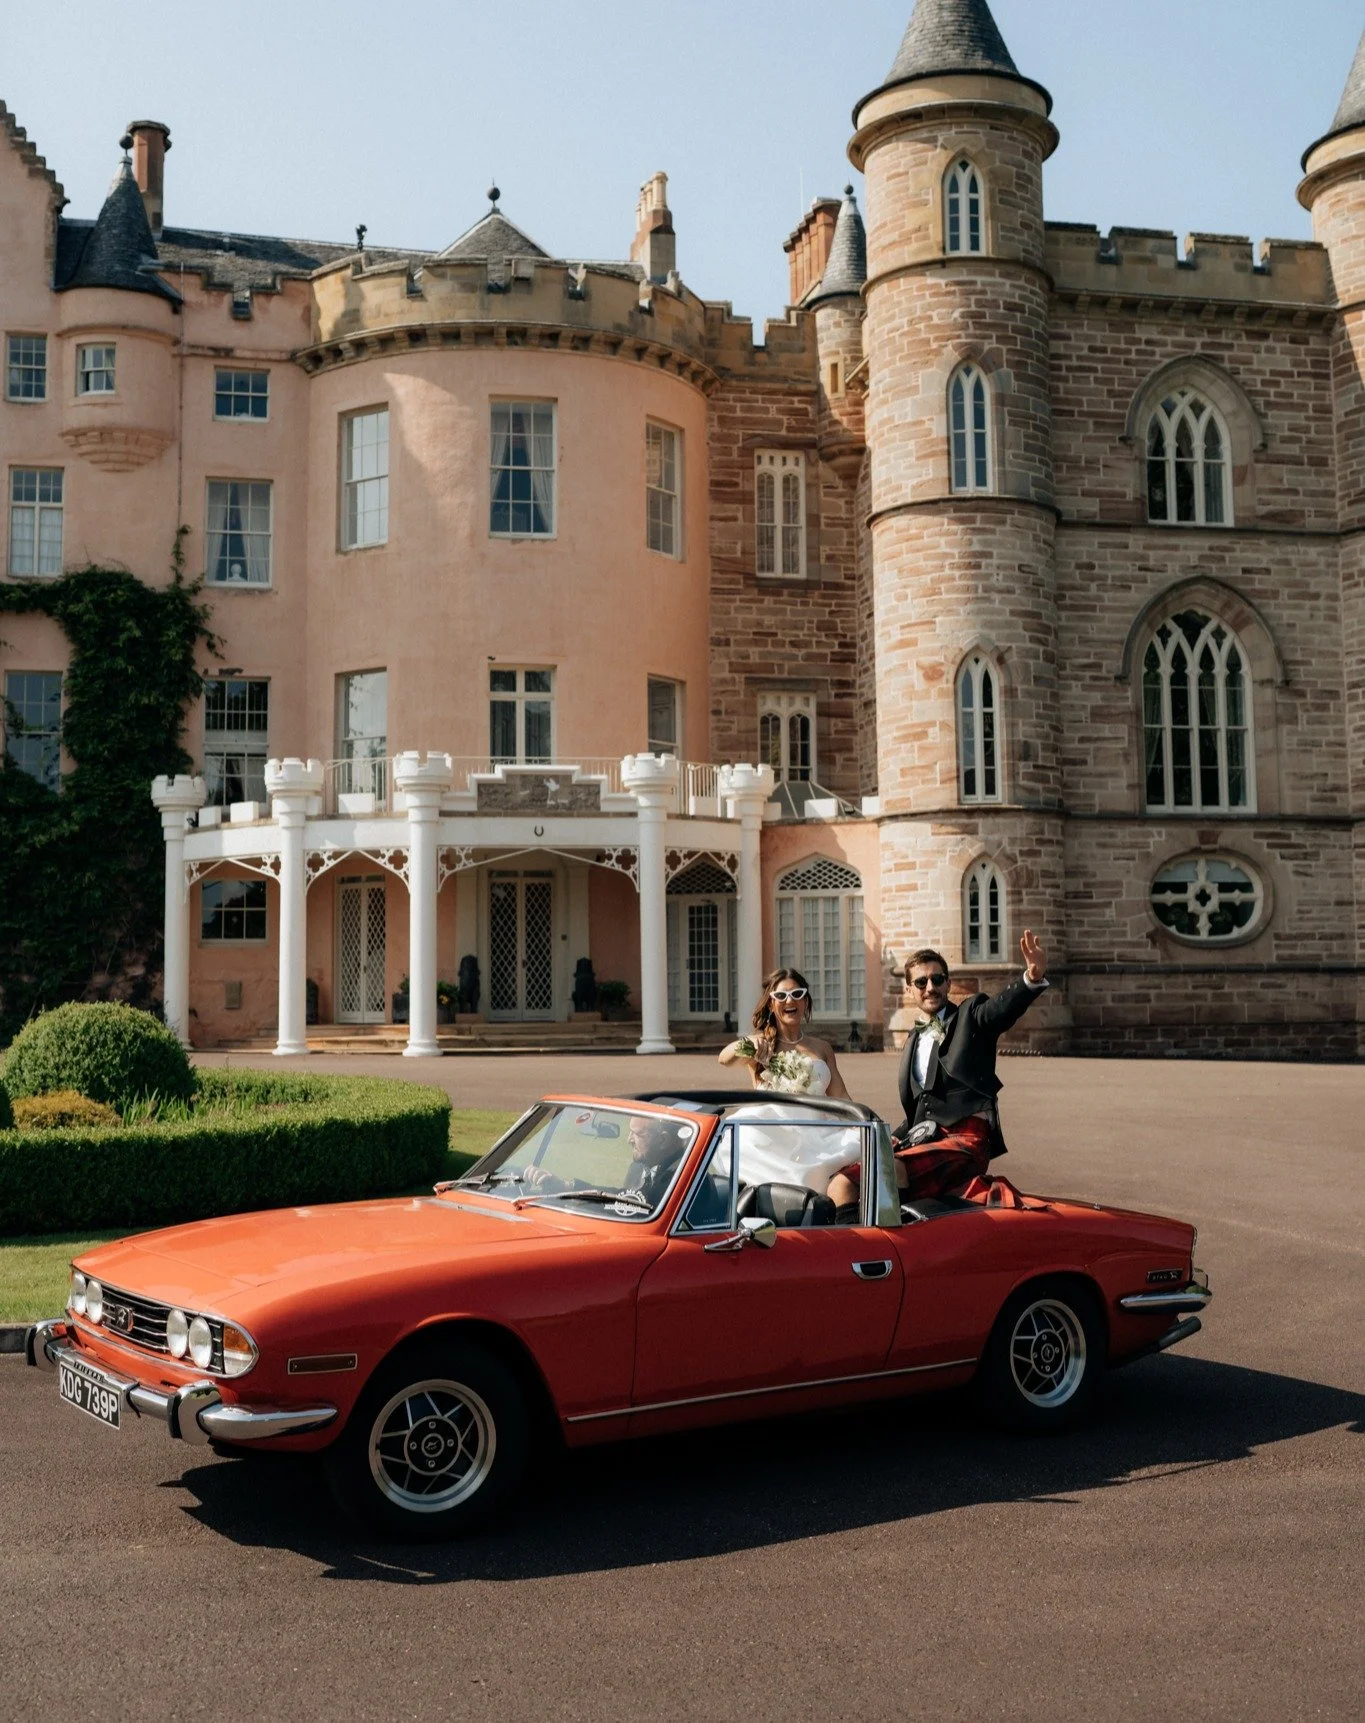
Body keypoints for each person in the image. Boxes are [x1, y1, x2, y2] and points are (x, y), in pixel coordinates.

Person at [828, 930, 1048, 1212]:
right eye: (921, 982)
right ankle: (855, 1246)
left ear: (948, 983)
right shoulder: (912, 1040)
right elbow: (919, 1112)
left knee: (888, 1170)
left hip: (965, 1141)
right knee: (842, 1180)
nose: (930, 986)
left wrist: (1031, 978)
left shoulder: (970, 1016)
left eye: (937, 979)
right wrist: (885, 1138)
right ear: (909, 990)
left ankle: (893, 1245)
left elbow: (999, 1010)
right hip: (924, 1139)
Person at [717, 968, 861, 1197]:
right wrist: (748, 1042)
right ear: (771, 1004)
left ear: (805, 1001)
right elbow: (724, 1059)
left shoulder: (821, 1047)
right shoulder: (762, 1045)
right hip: (774, 1136)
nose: (789, 1001)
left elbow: (840, 1096)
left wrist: (867, 1124)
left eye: (796, 994)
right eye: (781, 996)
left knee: (860, 1148)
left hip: (818, 1134)